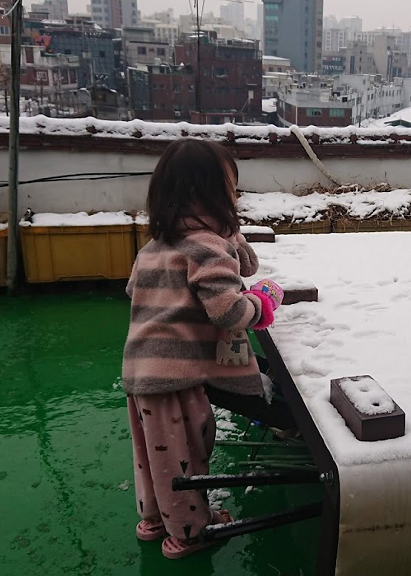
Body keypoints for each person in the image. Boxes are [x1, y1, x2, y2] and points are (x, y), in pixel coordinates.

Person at [122, 139, 284, 560]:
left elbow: (135, 292)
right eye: (233, 190)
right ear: (218, 194)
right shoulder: (206, 247)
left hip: (141, 373)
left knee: (154, 454)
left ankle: (155, 519)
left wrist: (230, 235)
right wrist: (262, 304)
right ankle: (190, 533)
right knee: (186, 458)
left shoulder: (153, 249)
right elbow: (229, 312)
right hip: (178, 378)